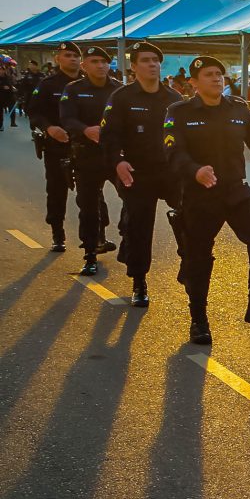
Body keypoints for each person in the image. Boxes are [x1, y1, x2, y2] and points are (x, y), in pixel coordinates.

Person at [164, 56, 250, 344]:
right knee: (198, 257)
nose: (217, 79)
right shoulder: (179, 111)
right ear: (194, 82)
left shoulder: (238, 109)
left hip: (236, 191)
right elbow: (173, 152)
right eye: (209, 74)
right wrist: (195, 170)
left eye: (220, 74)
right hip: (199, 195)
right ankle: (198, 319)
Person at [101, 42, 184, 306]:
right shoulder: (122, 97)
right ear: (134, 66)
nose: (152, 65)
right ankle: (139, 280)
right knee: (139, 224)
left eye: (155, 61)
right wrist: (118, 162)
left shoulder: (174, 99)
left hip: (170, 171)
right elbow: (109, 135)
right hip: (137, 170)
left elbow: (186, 137)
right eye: (145, 61)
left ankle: (191, 263)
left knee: (192, 216)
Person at [59, 46, 122, 276]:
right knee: (88, 208)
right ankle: (90, 255)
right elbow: (67, 118)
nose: (100, 66)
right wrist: (86, 130)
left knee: (134, 199)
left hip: (115, 155)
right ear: (84, 66)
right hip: (86, 155)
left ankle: (128, 240)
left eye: (104, 62)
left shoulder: (119, 90)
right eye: (94, 61)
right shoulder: (73, 89)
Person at [27, 42, 82, 251]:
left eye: (76, 56)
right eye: (67, 55)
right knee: (57, 190)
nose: (73, 59)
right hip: (57, 146)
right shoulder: (47, 84)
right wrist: (49, 128)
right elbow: (34, 112)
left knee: (91, 193)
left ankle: (97, 236)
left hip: (84, 146)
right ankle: (58, 233)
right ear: (58, 58)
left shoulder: (89, 84)